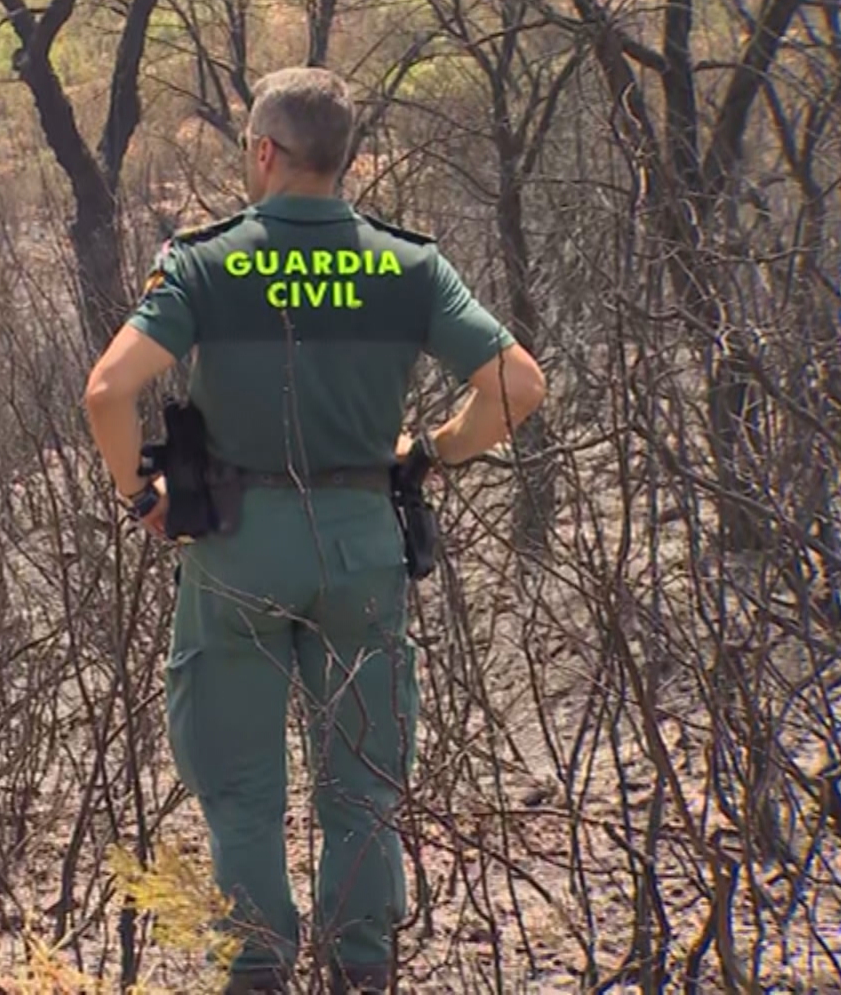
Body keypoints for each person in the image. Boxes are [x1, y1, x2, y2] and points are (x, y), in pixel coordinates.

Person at [83, 66, 546, 993]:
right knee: (362, 788)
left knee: (241, 791)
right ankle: (361, 968)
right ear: (346, 158)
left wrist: (141, 491)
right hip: (361, 545)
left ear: (263, 151)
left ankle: (257, 966)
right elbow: (517, 384)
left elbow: (108, 390)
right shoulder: (408, 265)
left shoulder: (207, 261)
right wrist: (433, 452)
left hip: (238, 547)